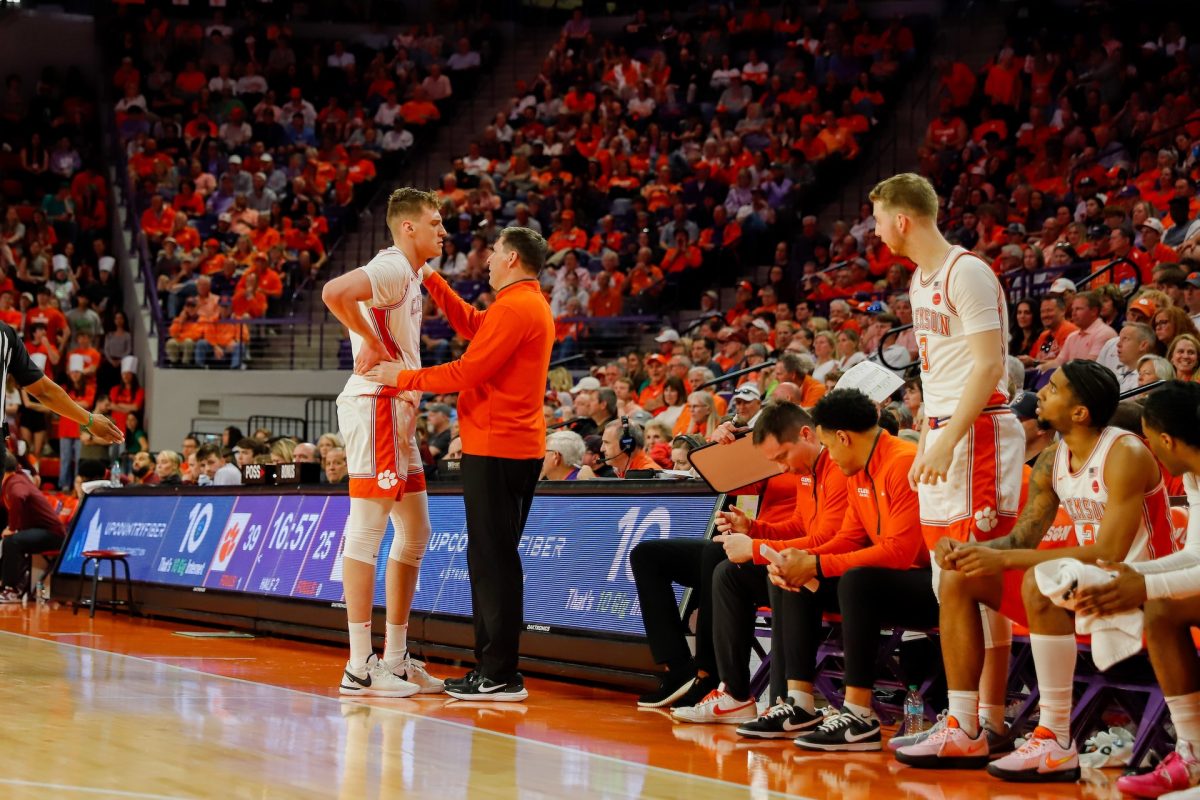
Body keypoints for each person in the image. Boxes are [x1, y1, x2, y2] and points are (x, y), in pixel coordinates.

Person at [897, 360, 1174, 782]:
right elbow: (1019, 541)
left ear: (1080, 412)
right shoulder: (1053, 458)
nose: (1041, 391)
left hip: (1140, 591)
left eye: (1055, 388)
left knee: (1039, 580)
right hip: (1085, 592)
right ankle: (964, 726)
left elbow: (1109, 551)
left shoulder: (1126, 453)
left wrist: (1001, 559)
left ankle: (1055, 738)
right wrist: (973, 550)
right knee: (957, 574)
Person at [364, 225, 554, 702]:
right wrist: (430, 277)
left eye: (493, 252)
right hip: (508, 445)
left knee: (494, 562)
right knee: (492, 559)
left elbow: (468, 372)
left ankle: (500, 674)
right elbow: (473, 324)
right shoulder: (523, 304)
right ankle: (494, 669)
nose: (486, 260)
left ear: (511, 258)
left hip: (498, 447)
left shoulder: (517, 306)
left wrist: (403, 377)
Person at [871, 173, 1024, 751]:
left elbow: (989, 368)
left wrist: (945, 438)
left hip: (977, 435)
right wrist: (925, 433)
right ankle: (976, 717)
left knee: (973, 578)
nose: (878, 230)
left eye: (881, 219)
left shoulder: (969, 272)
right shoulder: (919, 280)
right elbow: (943, 370)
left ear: (903, 219)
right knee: (948, 582)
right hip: (941, 433)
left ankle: (980, 720)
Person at [321, 187, 446, 698]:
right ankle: (357, 666)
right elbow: (333, 292)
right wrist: (370, 341)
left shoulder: (412, 274)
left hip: (399, 410)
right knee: (368, 528)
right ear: (408, 227)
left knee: (415, 531)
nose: (443, 231)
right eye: (436, 222)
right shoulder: (393, 265)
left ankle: (395, 659)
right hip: (375, 404)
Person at [686, 402, 848, 736]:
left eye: (781, 457)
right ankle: (736, 693)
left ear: (806, 434)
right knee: (729, 575)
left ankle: (788, 700)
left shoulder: (837, 465)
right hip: (808, 561)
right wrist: (753, 527)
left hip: (836, 568)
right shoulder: (804, 472)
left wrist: (758, 549)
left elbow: (827, 538)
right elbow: (798, 526)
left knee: (779, 570)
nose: (780, 468)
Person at [1072, 382, 1200, 797]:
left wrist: (1142, 583)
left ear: (1166, 440)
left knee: (1158, 597)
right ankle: (1192, 753)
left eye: (1148, 439)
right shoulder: (1196, 476)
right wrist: (1128, 574)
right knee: (1164, 609)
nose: (1148, 448)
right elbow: (1195, 555)